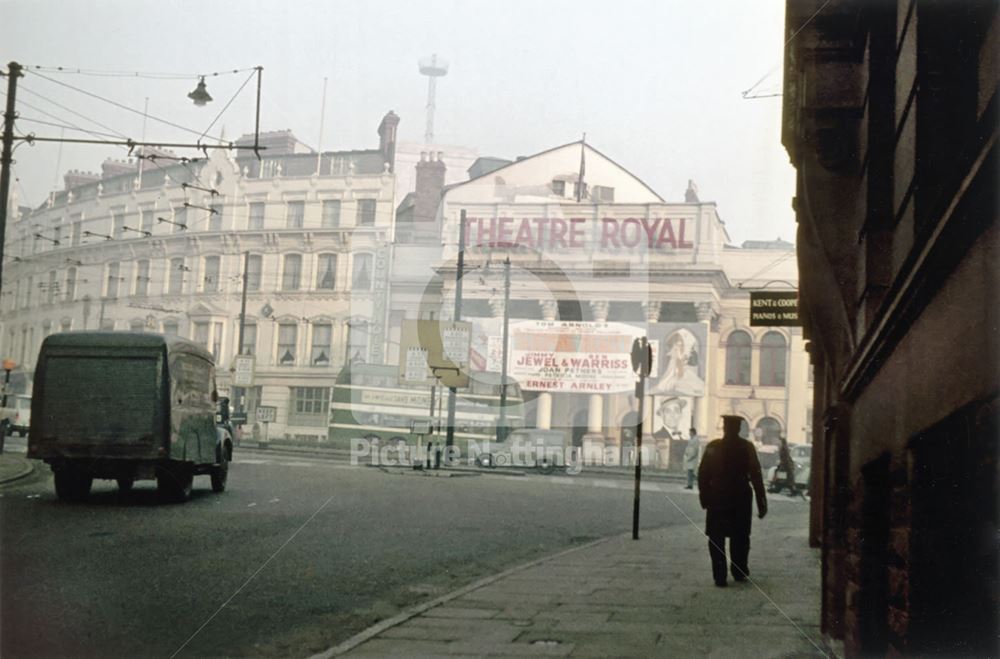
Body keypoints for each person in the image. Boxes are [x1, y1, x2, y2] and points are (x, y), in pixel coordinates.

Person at [698, 415, 768, 587]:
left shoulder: (713, 447)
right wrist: (761, 501)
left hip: (718, 495)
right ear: (739, 429)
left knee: (716, 537)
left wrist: (704, 497)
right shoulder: (747, 447)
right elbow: (756, 475)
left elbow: (703, 474)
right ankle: (739, 571)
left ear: (724, 428)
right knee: (740, 536)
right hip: (740, 496)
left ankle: (720, 575)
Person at [652, 328, 705, 396]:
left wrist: (682, 357)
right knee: (671, 374)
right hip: (674, 363)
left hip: (678, 364)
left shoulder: (683, 349)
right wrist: (679, 356)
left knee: (682, 375)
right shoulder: (676, 348)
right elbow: (675, 356)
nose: (679, 343)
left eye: (680, 341)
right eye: (678, 341)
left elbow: (682, 358)